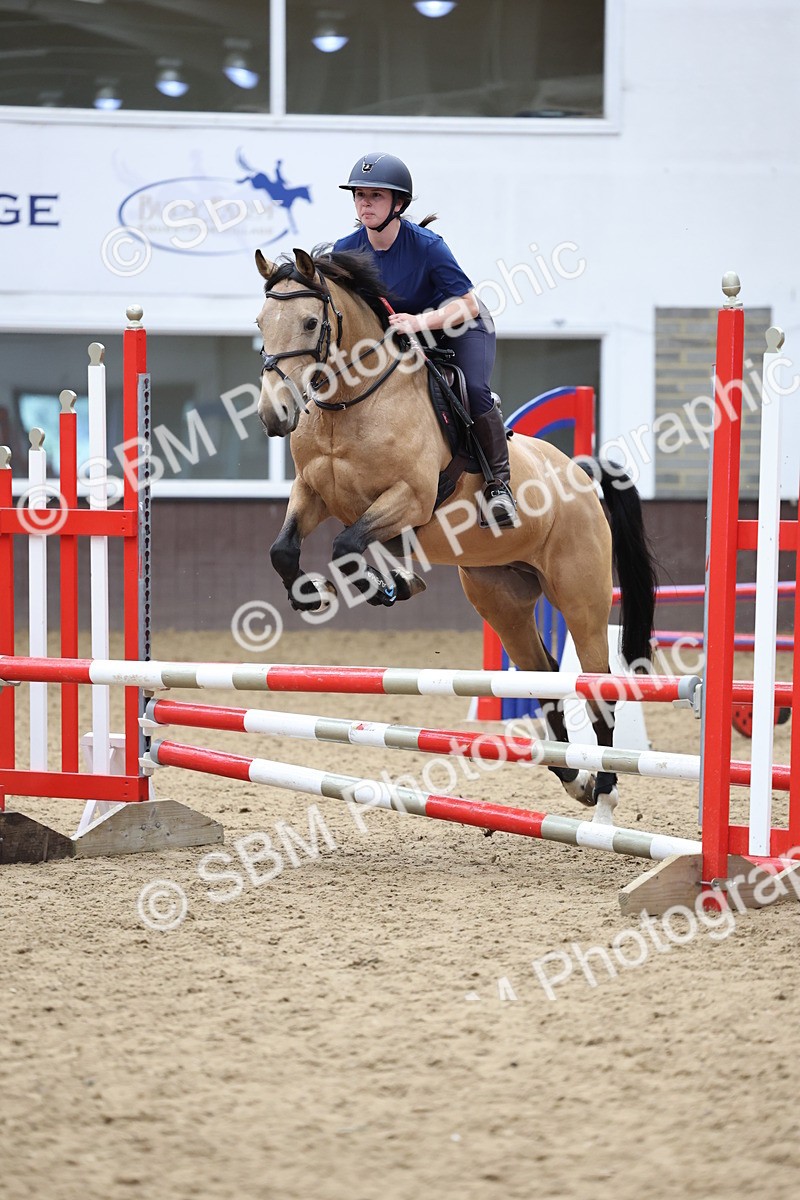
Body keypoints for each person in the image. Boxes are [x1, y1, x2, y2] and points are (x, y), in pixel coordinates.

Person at [334, 151, 516, 528]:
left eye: (376, 196)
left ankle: (499, 486)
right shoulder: (345, 250)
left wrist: (420, 322)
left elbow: (466, 305)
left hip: (460, 326)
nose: (365, 203)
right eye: (359, 195)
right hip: (401, 333)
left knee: (474, 390)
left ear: (399, 203)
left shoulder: (428, 246)